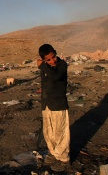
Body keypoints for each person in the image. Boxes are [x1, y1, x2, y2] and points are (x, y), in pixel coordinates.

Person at [37, 44, 70, 172]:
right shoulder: (45, 68)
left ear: (56, 53)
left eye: (53, 57)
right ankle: (53, 152)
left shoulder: (62, 65)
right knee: (49, 132)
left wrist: (43, 65)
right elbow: (44, 84)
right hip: (46, 104)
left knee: (60, 132)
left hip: (58, 104)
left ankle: (64, 158)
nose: (52, 61)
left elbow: (55, 76)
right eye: (48, 60)